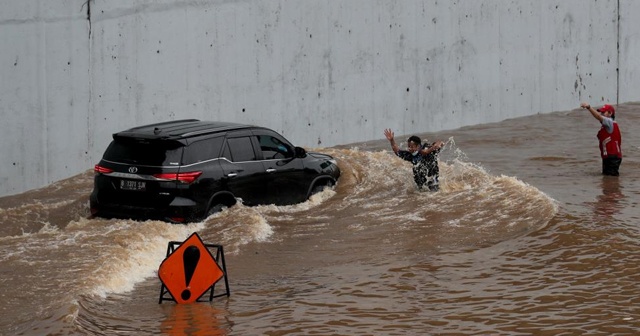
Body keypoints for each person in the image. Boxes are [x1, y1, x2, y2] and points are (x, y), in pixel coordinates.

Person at [580, 102, 622, 176]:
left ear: (610, 113)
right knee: (607, 179)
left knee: (611, 180)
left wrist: (589, 107)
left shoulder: (610, 122)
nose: (601, 114)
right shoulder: (606, 126)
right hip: (609, 157)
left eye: (603, 112)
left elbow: (598, 117)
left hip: (612, 158)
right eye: (601, 112)